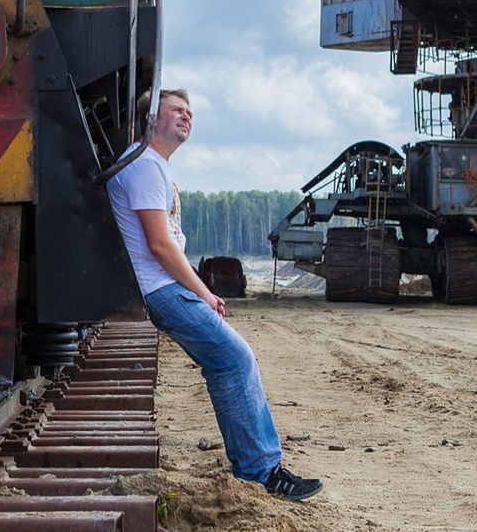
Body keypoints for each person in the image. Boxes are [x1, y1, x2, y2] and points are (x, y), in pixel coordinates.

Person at [107, 88, 324, 500]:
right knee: (234, 359)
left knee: (230, 361)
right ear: (152, 117)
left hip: (165, 287)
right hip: (164, 289)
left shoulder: (149, 166)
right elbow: (159, 245)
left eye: (189, 112)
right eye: (176, 111)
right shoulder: (144, 168)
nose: (186, 117)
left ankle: (259, 467)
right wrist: (204, 292)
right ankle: (262, 471)